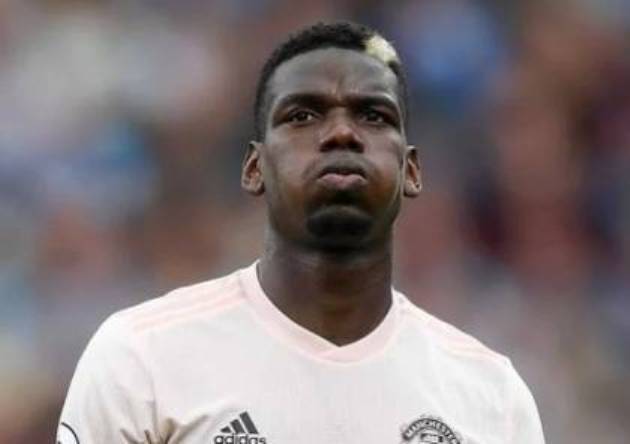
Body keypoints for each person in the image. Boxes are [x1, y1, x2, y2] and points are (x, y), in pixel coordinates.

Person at [57, 21, 545, 444]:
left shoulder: (490, 396)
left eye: (373, 116)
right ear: (254, 167)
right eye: (302, 116)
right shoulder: (142, 358)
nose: (341, 133)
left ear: (411, 171)